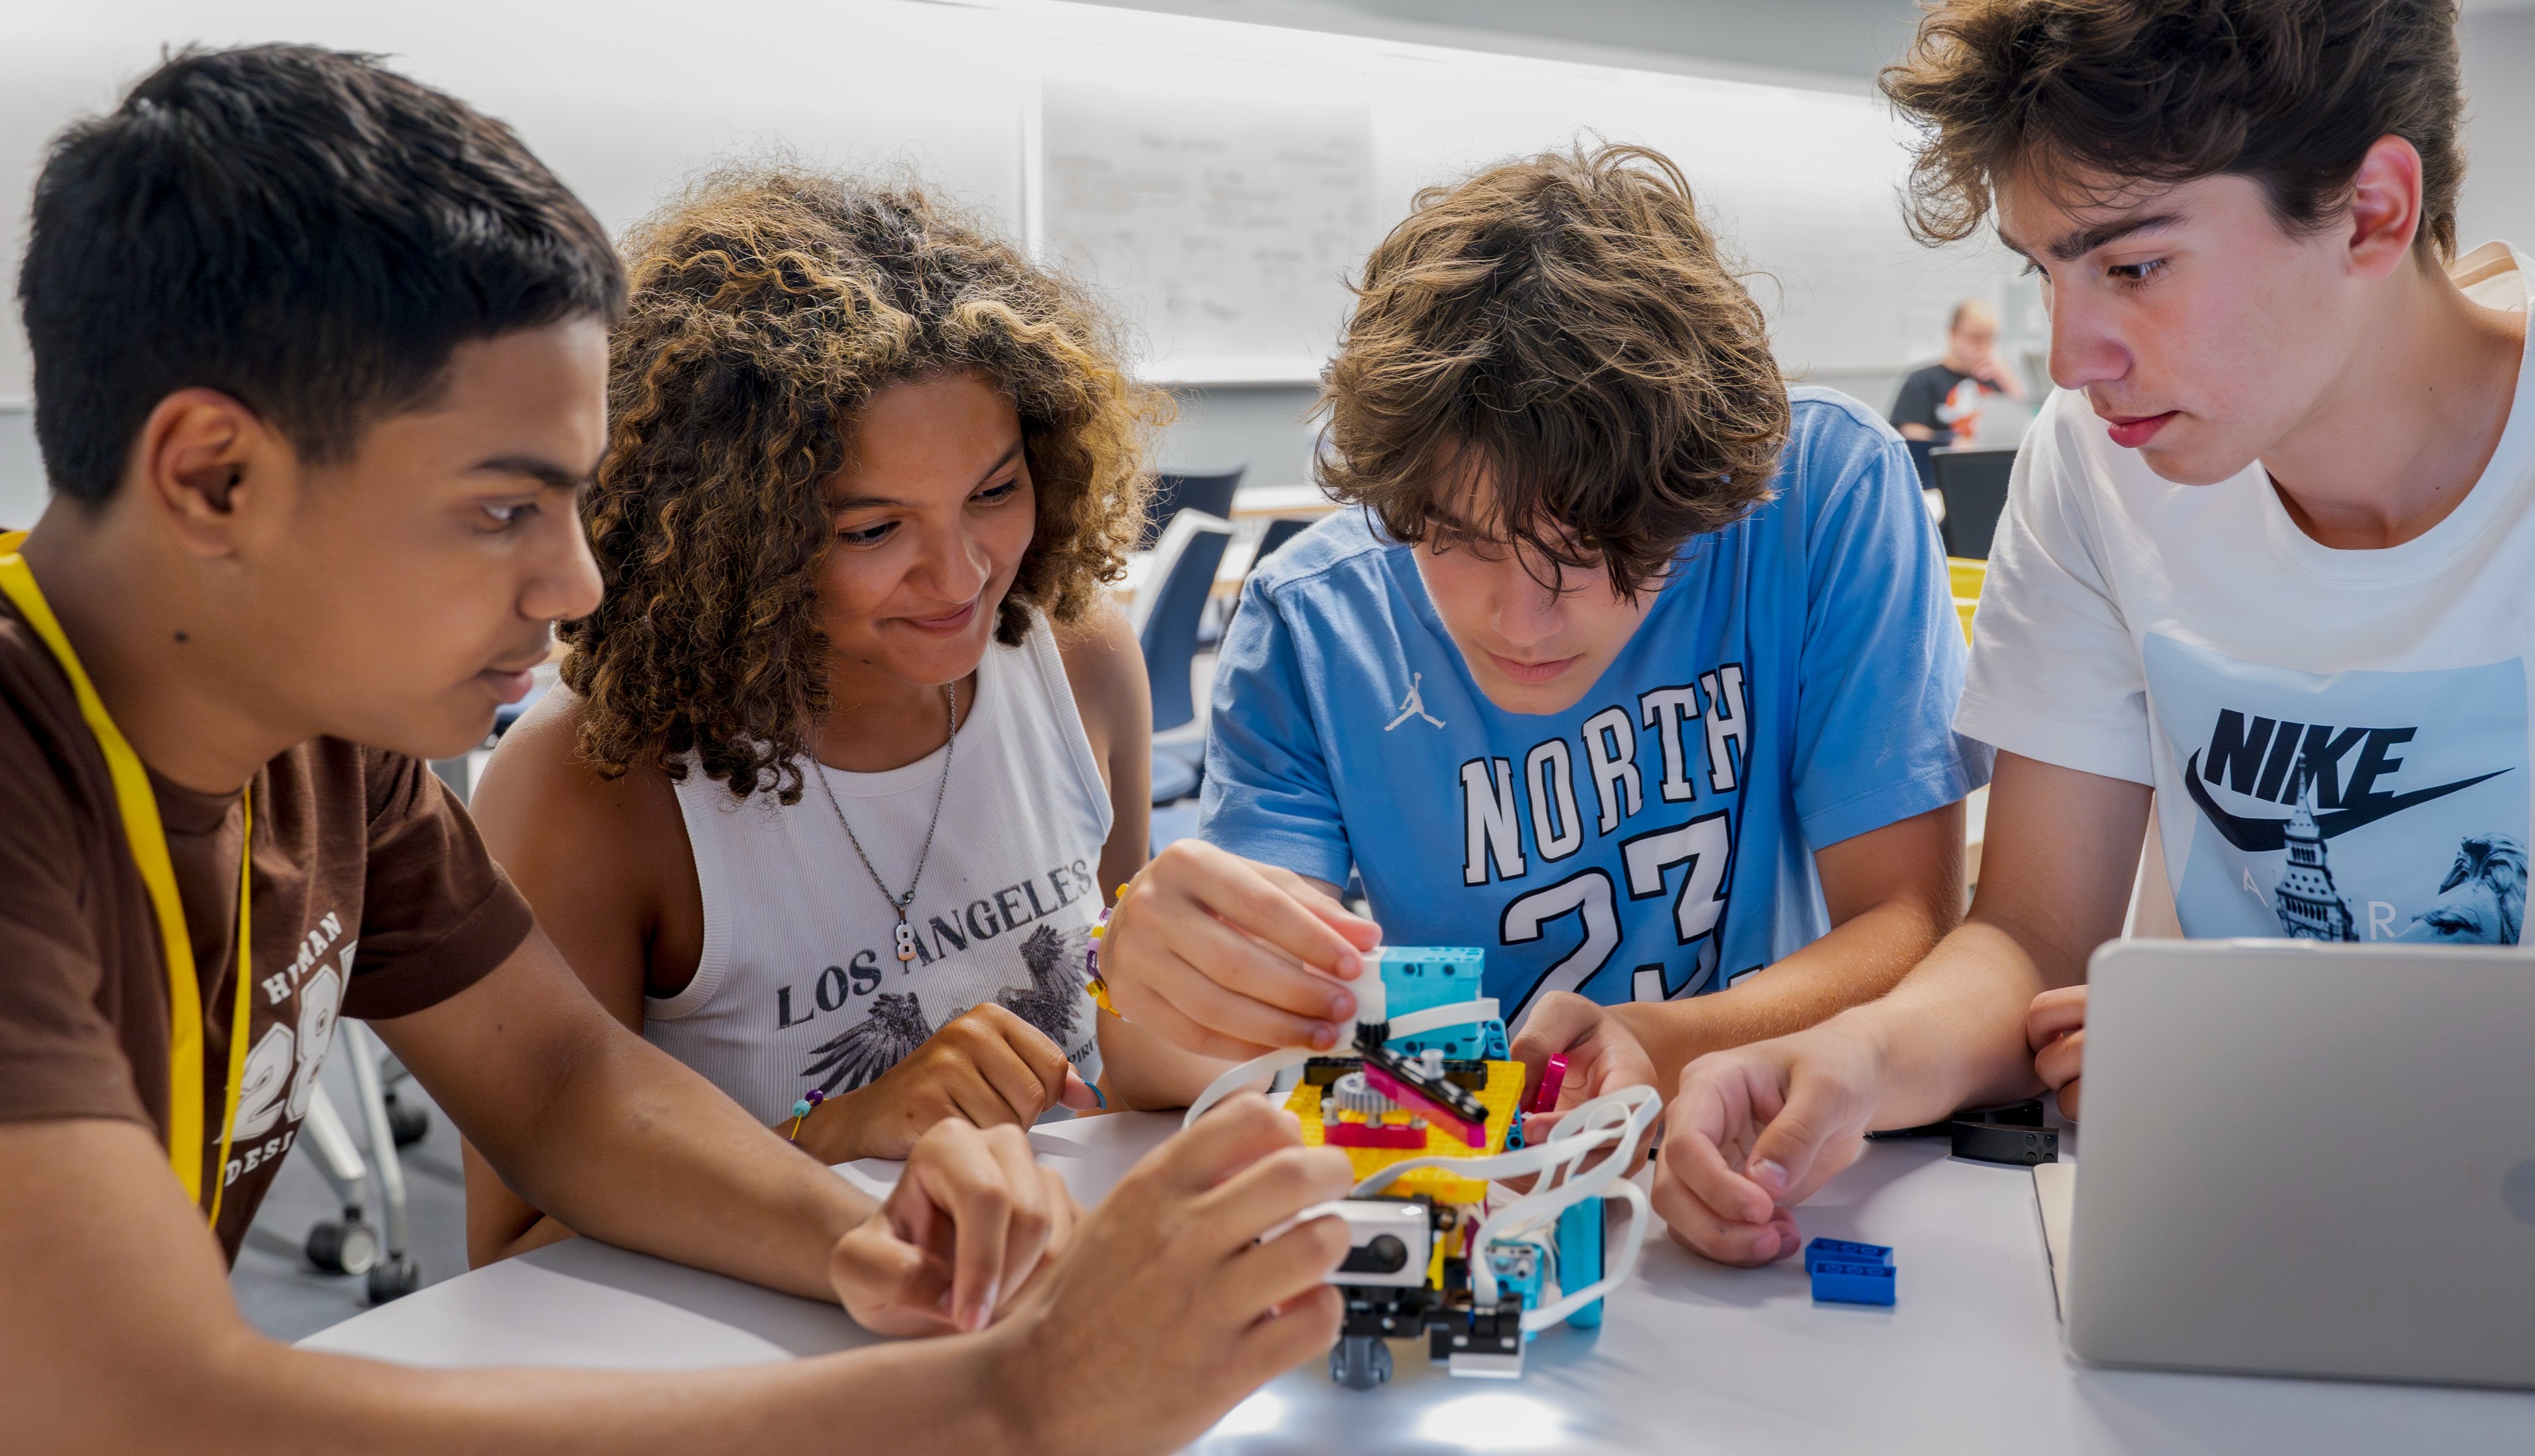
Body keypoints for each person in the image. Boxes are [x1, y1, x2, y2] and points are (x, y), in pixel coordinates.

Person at [0, 46, 1352, 1453]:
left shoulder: (328, 745)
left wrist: (862, 1236)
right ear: (216, 476)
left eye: (575, 504)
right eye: (501, 510)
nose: (578, 584)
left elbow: (565, 1086)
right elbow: (137, 1403)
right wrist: (1010, 1398)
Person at [1647, 0, 2530, 1266]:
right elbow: (2031, 935)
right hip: (2236, 1242)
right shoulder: (2103, 467)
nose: (2067, 357)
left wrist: (2255, 1058)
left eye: (2131, 266)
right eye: (2042, 270)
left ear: (2372, 211)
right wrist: (1849, 1056)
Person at [1096, 144, 1989, 1115]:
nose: (1520, 621)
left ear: (1698, 499)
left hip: (1781, 1137)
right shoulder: (1313, 625)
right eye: (1458, 538)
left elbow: (1906, 924)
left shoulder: (1817, 493)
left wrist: (1665, 1044)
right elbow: (1200, 1054)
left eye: (1586, 547)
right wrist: (1154, 987)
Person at [463, 167, 1235, 1260]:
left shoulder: (1075, 654)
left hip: (1048, 1316)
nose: (962, 574)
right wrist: (835, 1137)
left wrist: (1213, 998)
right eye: (874, 530)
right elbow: (510, 1256)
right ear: (738, 532)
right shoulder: (592, 782)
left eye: (994, 491)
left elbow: (1124, 1057)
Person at [1888, 298, 2028, 448]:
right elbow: (1910, 431)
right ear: (1954, 333)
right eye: (1975, 338)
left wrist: (2007, 377)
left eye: (1990, 338)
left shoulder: (1996, 379)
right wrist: (1951, 441)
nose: (1983, 347)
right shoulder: (1923, 381)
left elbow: (2025, 421)